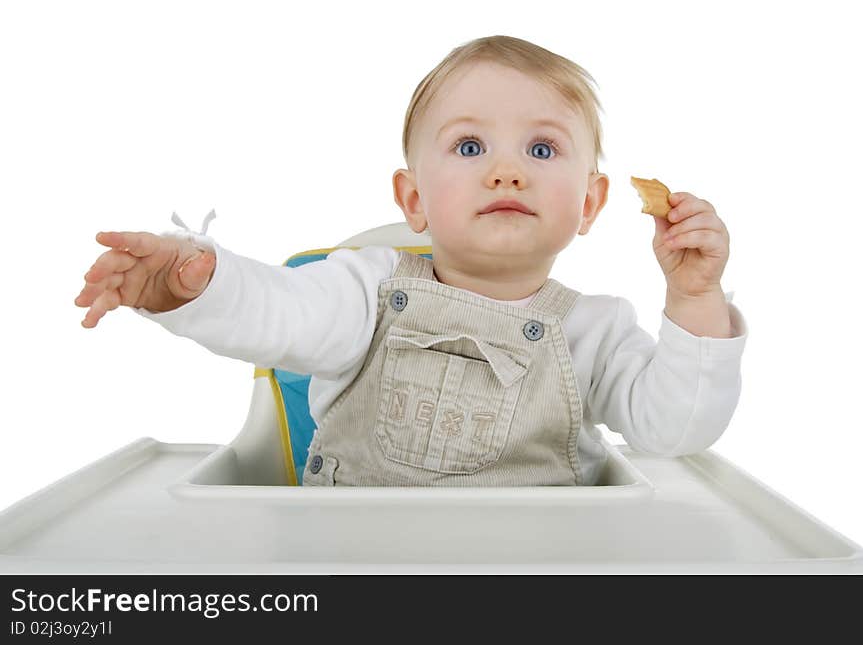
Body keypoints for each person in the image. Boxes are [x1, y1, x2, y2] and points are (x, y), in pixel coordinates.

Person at [74, 35, 747, 486]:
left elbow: (675, 431)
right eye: (469, 147)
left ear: (590, 204)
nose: (507, 171)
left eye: (542, 150)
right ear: (414, 198)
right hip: (353, 568)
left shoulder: (596, 334)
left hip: (540, 573)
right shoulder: (361, 291)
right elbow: (279, 312)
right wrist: (199, 285)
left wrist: (694, 301)